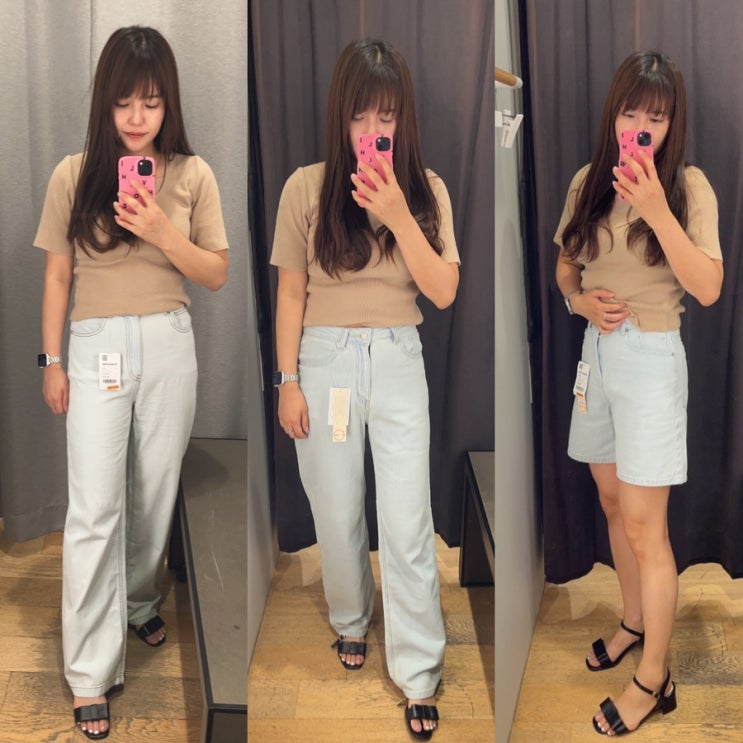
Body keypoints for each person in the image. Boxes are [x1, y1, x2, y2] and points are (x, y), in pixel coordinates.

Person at [35, 26, 228, 739]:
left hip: (170, 342)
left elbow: (216, 272)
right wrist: (51, 361)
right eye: (124, 102)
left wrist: (160, 230)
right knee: (94, 505)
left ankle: (140, 601)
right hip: (95, 347)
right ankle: (89, 672)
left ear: (168, 101)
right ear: (105, 104)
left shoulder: (193, 174)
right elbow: (58, 275)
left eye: (150, 101)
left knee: (153, 491)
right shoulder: (73, 174)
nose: (138, 117)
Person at [271, 38, 459, 741]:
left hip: (399, 358)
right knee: (336, 506)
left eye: (386, 115)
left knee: (407, 521)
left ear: (402, 118)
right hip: (324, 360)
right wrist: (287, 380)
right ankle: (351, 617)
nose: (373, 130)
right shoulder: (305, 187)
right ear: (340, 117)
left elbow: (443, 290)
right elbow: (291, 293)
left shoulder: (427, 189)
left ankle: (419, 671)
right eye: (359, 115)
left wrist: (400, 214)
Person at [555, 50, 723, 736]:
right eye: (631, 112)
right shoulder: (587, 183)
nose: (642, 127)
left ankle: (655, 679)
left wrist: (656, 209)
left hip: (652, 359)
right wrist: (579, 303)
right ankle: (632, 620)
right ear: (613, 115)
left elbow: (707, 287)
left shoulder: (688, 188)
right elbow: (565, 267)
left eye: (656, 116)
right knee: (610, 500)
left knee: (646, 527)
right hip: (595, 356)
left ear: (671, 124)